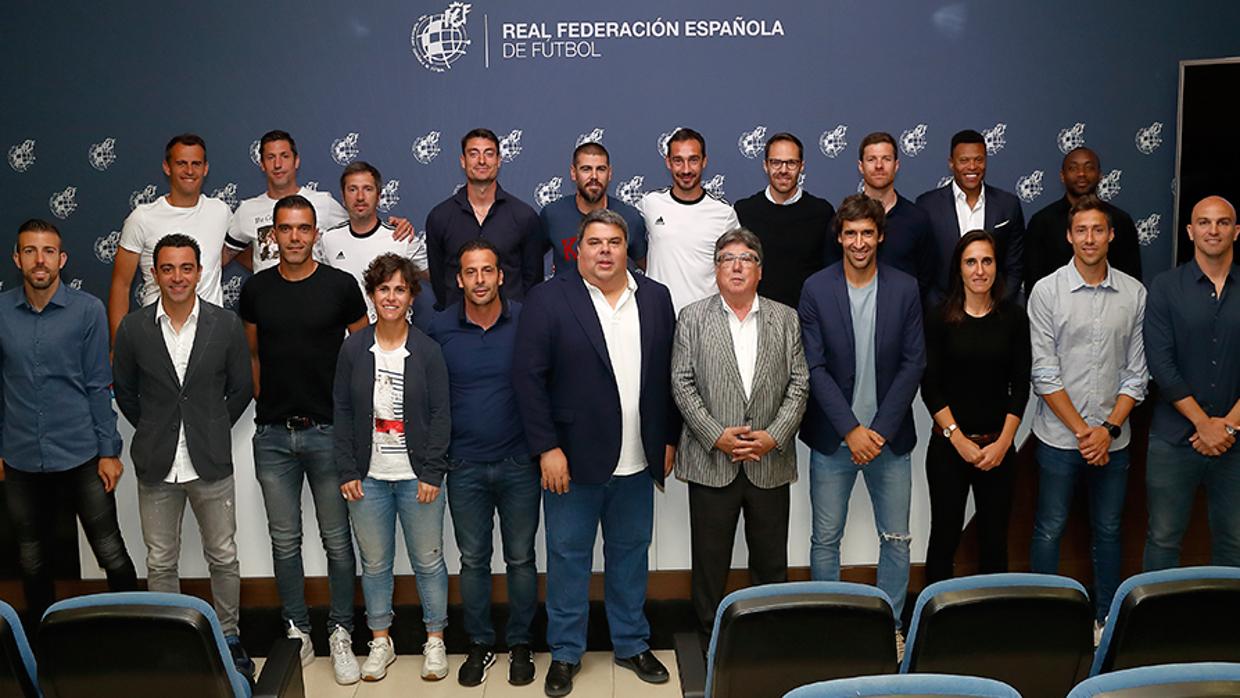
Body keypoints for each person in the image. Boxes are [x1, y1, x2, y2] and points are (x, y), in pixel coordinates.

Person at [513, 209, 679, 697]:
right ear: (577, 249)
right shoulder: (547, 299)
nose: (605, 251)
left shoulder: (654, 297)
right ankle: (565, 652)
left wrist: (667, 438)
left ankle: (631, 643)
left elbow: (667, 377)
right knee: (568, 558)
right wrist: (547, 448)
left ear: (628, 249)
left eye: (614, 242)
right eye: (595, 242)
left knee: (630, 556)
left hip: (638, 459)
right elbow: (528, 381)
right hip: (572, 461)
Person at [238, 194, 368, 684]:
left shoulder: (341, 286)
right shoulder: (255, 289)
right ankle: (297, 629)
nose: (294, 237)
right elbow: (251, 353)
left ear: (317, 234)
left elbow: (362, 352)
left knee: (338, 541)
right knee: (284, 540)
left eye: (303, 228)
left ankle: (339, 631)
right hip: (273, 436)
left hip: (329, 434)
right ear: (272, 234)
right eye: (285, 229)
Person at [111, 233, 254, 678]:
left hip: (209, 461)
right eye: (168, 268)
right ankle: (170, 640)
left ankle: (229, 637)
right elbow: (127, 394)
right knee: (160, 559)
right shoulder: (133, 328)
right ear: (155, 274)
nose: (177, 277)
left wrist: (210, 427)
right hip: (156, 462)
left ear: (200, 272)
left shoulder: (225, 324)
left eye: (186, 268)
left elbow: (242, 389)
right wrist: (159, 429)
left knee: (224, 555)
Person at [798, 194, 926, 654]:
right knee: (825, 539)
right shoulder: (815, 288)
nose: (858, 242)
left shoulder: (905, 288)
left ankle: (889, 625)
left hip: (889, 442)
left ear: (881, 236)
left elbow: (914, 363)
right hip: (834, 439)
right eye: (850, 233)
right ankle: (829, 625)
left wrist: (880, 430)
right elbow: (813, 368)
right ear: (839, 236)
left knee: (896, 537)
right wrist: (852, 429)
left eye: (867, 233)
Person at [671, 228, 809, 641]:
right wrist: (716, 435)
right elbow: (681, 382)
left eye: (746, 257)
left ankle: (768, 639)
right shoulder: (692, 317)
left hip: (770, 461)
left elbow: (799, 383)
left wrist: (774, 435)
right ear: (715, 269)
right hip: (713, 461)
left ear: (759, 270)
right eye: (727, 258)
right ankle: (712, 641)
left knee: (770, 562)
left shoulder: (786, 318)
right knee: (710, 564)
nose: (736, 265)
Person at [0, 218, 138, 623]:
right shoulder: (2, 312)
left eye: (47, 252)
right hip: (22, 457)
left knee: (110, 550)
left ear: (62, 259)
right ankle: (46, 646)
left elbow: (98, 385)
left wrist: (109, 451)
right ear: (17, 258)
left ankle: (138, 636)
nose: (39, 260)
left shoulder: (88, 310)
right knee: (31, 557)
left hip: (81, 453)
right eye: (30, 251)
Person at [1028, 195, 1147, 637]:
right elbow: (1043, 371)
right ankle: (1044, 619)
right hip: (1060, 438)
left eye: (1098, 230)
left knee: (1110, 530)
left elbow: (1137, 373)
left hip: (1115, 438)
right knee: (1049, 528)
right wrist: (1084, 432)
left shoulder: (1135, 293)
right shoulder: (1046, 292)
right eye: (1081, 230)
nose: (1090, 238)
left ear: (1111, 235)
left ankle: (1105, 621)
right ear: (1069, 236)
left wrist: (1108, 429)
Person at [427, 239, 539, 687]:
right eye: (470, 272)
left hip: (518, 463)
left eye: (487, 271)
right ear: (459, 279)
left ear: (500, 276)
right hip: (465, 466)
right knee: (473, 560)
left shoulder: (527, 319)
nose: (479, 280)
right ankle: (479, 642)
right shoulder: (439, 327)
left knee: (521, 558)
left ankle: (522, 643)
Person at [335, 253, 451, 683]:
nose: (391, 297)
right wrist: (347, 469)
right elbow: (342, 411)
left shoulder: (428, 351)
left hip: (416, 477)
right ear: (372, 295)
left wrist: (432, 473)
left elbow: (441, 415)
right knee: (376, 563)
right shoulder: (352, 348)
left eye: (399, 289)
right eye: (383, 289)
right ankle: (380, 641)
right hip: (368, 478)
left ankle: (435, 640)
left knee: (428, 561)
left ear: (411, 297)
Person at [920, 230, 1030, 584]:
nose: (979, 270)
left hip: (998, 448)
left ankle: (990, 629)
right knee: (944, 537)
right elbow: (930, 387)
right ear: (959, 269)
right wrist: (958, 439)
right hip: (949, 448)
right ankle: (930, 628)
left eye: (987, 261)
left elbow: (1021, 384)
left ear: (997, 267)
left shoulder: (1013, 318)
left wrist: (1002, 444)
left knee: (994, 541)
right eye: (971, 262)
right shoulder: (939, 318)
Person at [1143, 195, 1240, 570]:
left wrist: (1228, 425)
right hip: (1173, 439)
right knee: (1163, 540)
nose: (1212, 230)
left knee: (1234, 543)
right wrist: (1203, 423)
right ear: (1190, 231)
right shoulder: (1165, 287)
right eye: (1204, 222)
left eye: (1221, 222)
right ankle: (1156, 629)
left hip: (1236, 442)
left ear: (1236, 231)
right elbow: (1161, 365)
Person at [109, 133, 229, 341]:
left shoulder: (221, 211)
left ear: (205, 168)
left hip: (210, 337)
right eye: (182, 163)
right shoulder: (142, 218)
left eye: (196, 164)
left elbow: (235, 252)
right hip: (157, 336)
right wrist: (118, 345)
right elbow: (121, 285)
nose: (190, 171)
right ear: (167, 167)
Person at [425, 128, 542, 309]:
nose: (481, 161)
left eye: (489, 154)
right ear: (463, 161)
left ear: (498, 161)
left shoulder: (524, 216)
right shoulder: (440, 217)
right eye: (474, 154)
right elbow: (439, 280)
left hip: (512, 327)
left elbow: (533, 280)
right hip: (456, 327)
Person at [915, 129, 1025, 304]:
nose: (972, 167)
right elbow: (922, 268)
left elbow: (1015, 266)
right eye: (964, 160)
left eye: (979, 160)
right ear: (951, 163)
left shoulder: (1008, 205)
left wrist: (997, 305)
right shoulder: (927, 205)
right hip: (943, 314)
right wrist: (937, 310)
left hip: (995, 312)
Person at [642, 127, 741, 313]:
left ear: (704, 162)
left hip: (704, 322)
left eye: (693, 160)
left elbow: (735, 269)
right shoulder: (649, 205)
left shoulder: (724, 214)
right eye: (678, 161)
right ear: (668, 163)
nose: (686, 169)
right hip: (658, 317)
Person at [733, 132, 836, 308]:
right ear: (765, 165)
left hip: (806, 318)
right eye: (776, 162)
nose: (783, 170)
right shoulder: (744, 211)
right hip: (757, 319)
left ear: (802, 166)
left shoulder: (822, 212)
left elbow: (830, 273)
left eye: (791, 163)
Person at [321, 161, 429, 322]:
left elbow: (437, 277)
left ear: (378, 197)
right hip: (346, 343)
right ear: (343, 197)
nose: (360, 197)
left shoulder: (402, 238)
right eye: (352, 189)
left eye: (368, 189)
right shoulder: (328, 240)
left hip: (393, 341)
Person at [1025, 147, 1143, 288]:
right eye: (1073, 168)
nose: (1081, 174)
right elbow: (1033, 280)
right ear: (1062, 176)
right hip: (1056, 307)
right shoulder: (1042, 222)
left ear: (1100, 175)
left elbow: (1131, 279)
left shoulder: (1121, 220)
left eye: (1089, 168)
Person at [540, 141, 647, 276]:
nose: (594, 176)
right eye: (586, 169)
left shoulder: (629, 218)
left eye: (601, 169)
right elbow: (531, 262)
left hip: (613, 296)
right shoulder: (553, 215)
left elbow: (646, 266)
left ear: (610, 173)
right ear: (573, 173)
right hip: (566, 296)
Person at [849, 131, 937, 297]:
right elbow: (833, 274)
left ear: (897, 165)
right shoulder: (846, 219)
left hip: (903, 315)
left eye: (886, 159)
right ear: (860, 166)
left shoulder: (917, 218)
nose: (879, 166)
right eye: (871, 159)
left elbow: (926, 276)